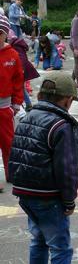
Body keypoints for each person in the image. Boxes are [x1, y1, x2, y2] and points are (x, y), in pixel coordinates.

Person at [8, 71, 78, 264]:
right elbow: (66, 168)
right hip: (48, 195)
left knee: (39, 240)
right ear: (65, 99)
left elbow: (16, 155)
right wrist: (69, 200)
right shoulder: (62, 125)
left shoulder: (27, 117)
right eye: (70, 101)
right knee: (60, 247)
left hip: (26, 193)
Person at [0, 15, 24, 190]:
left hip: (4, 106)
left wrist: (16, 103)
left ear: (5, 34)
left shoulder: (12, 55)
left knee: (8, 142)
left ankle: (12, 172)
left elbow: (18, 81)